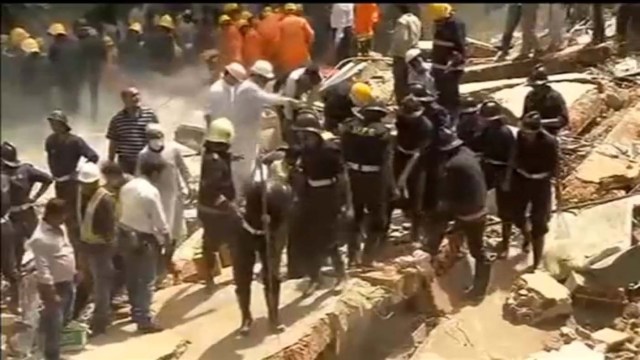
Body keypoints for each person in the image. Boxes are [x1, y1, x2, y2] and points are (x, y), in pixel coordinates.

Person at [425, 128, 490, 302]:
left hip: (469, 213)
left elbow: (446, 198)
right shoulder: (467, 153)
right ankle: (453, 254)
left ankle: (479, 291)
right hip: (479, 205)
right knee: (456, 233)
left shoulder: (453, 166)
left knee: (478, 251)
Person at [232, 163, 293, 336]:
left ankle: (274, 316)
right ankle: (246, 317)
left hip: (268, 237)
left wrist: (271, 225)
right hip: (244, 234)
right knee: (242, 278)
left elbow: (281, 222)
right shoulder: (251, 193)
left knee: (272, 277)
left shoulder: (284, 194)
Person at [290, 112, 346, 295]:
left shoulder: (330, 150)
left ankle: (341, 274)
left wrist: (345, 203)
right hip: (310, 195)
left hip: (328, 195)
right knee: (311, 239)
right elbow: (304, 174)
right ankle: (315, 277)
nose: (302, 138)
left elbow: (342, 177)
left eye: (305, 134)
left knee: (329, 238)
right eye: (300, 135)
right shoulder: (305, 150)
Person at [117, 156, 169, 333]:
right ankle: (144, 319)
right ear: (154, 173)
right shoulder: (150, 192)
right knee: (147, 279)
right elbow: (160, 223)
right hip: (144, 239)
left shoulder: (126, 186)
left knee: (132, 276)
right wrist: (167, 241)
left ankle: (135, 311)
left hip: (124, 234)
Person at [137, 124, 192, 287]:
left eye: (159, 136)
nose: (157, 140)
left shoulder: (173, 150)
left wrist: (190, 185)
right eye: (153, 137)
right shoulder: (143, 156)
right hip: (156, 199)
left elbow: (183, 169)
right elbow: (139, 177)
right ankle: (161, 270)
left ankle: (168, 264)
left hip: (174, 197)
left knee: (175, 233)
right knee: (160, 234)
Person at [339, 101, 393, 266]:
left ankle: (352, 257)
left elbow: (343, 147)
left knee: (355, 216)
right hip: (374, 178)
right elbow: (386, 161)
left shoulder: (349, 128)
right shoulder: (383, 133)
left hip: (353, 175)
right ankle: (367, 258)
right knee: (377, 218)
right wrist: (392, 186)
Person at [506, 111, 559, 271]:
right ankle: (526, 236)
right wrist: (510, 177)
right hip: (521, 180)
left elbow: (554, 167)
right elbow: (513, 157)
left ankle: (536, 262)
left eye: (528, 132)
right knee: (516, 214)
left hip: (540, 184)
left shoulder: (549, 142)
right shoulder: (520, 137)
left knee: (539, 222)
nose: (524, 134)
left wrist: (540, 177)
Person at [234, 60, 298, 185]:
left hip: (250, 130)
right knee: (244, 164)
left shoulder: (251, 88)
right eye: (264, 79)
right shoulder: (249, 88)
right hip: (243, 132)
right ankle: (242, 192)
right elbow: (266, 98)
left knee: (251, 160)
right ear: (256, 76)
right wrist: (287, 101)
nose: (266, 82)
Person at [26, 198, 76, 360]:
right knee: (53, 323)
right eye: (62, 216)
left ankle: (46, 350)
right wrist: (50, 292)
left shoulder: (60, 227)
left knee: (62, 319)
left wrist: (75, 270)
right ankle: (51, 355)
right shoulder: (39, 238)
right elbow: (43, 268)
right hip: (54, 286)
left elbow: (67, 248)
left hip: (67, 281)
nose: (64, 220)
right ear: (53, 215)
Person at [45, 110, 99, 250]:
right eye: (51, 123)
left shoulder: (75, 141)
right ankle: (72, 243)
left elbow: (93, 156)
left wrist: (80, 170)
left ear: (63, 124)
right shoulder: (50, 140)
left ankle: (81, 244)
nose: (53, 126)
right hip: (59, 183)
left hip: (72, 184)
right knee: (63, 213)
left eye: (55, 123)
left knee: (75, 214)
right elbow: (50, 159)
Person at [197, 117, 239, 292]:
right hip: (216, 210)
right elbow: (211, 187)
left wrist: (231, 158)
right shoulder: (214, 162)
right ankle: (230, 276)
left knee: (210, 242)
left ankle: (209, 279)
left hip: (208, 209)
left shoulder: (213, 156)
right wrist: (227, 205)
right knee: (232, 241)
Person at [75, 162, 116, 335]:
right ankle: (79, 312)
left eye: (88, 184)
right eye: (83, 184)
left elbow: (110, 228)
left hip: (100, 247)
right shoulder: (80, 194)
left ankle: (100, 322)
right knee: (87, 280)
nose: (84, 187)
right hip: (85, 245)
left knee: (101, 286)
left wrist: (104, 242)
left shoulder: (105, 199)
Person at [1, 142, 52, 269]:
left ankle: (20, 270)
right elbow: (48, 179)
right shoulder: (26, 169)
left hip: (14, 217)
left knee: (22, 245)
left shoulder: (8, 174)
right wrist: (35, 198)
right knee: (31, 243)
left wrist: (35, 198)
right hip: (24, 213)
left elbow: (48, 179)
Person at [475, 101, 516, 259]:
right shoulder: (487, 131)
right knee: (476, 201)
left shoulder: (505, 133)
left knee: (505, 210)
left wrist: (507, 178)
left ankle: (505, 243)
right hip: (487, 168)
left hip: (502, 171)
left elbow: (512, 158)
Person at [393, 95, 433, 243]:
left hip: (416, 160)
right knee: (395, 191)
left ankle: (415, 232)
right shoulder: (401, 117)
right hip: (400, 153)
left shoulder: (425, 126)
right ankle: (405, 211)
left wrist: (404, 176)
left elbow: (418, 154)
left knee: (417, 194)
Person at [107, 87, 159, 174]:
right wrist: (111, 162)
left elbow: (158, 136)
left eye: (138, 95)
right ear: (124, 99)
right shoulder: (117, 120)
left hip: (147, 161)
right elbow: (113, 142)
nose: (137, 98)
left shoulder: (149, 114)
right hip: (126, 162)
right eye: (133, 96)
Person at [428, 3, 466, 118]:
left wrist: (453, 62)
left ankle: (453, 118)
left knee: (450, 96)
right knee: (441, 94)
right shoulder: (443, 24)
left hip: (449, 68)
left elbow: (460, 47)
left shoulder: (454, 25)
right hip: (440, 65)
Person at [279, 64, 323, 143]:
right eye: (309, 81)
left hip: (300, 95)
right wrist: (289, 118)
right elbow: (288, 101)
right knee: (287, 117)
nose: (311, 83)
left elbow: (312, 98)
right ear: (305, 76)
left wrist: (307, 110)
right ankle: (287, 140)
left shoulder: (319, 80)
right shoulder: (293, 79)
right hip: (286, 93)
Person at [75, 19, 107, 122]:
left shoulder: (79, 42)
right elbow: (104, 57)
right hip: (96, 70)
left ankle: (80, 114)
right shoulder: (99, 41)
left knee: (80, 92)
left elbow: (77, 58)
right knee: (94, 94)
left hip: (82, 71)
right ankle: (94, 115)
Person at [47, 23, 82, 114]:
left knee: (65, 96)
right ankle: (76, 114)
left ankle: (68, 114)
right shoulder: (75, 43)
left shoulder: (54, 46)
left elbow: (51, 62)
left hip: (62, 76)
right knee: (74, 96)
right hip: (76, 75)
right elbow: (81, 59)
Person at [522, 66, 569, 136]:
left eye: (537, 86)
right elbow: (524, 116)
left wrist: (540, 123)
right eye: (532, 86)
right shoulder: (529, 97)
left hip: (552, 133)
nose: (535, 89)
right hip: (532, 134)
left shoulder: (555, 97)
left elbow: (562, 121)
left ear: (544, 84)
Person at [390, 5, 422, 103]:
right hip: (414, 53)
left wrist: (395, 52)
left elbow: (401, 39)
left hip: (402, 55)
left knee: (400, 82)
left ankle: (403, 105)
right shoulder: (415, 19)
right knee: (411, 80)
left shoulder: (402, 21)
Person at [205, 62, 246, 128]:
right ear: (229, 76)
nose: (236, 83)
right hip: (217, 127)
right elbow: (208, 113)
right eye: (235, 80)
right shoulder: (216, 90)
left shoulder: (230, 87)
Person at [276, 3, 315, 74]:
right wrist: (308, 45)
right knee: (306, 73)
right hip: (302, 53)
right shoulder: (301, 21)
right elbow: (311, 34)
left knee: (288, 74)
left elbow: (277, 40)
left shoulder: (280, 24)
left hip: (286, 56)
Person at [1, 172, 20, 313]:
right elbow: (20, 190)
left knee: (9, 267)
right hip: (5, 224)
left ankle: (13, 302)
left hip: (4, 225)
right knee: (10, 267)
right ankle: (14, 303)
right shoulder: (6, 177)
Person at [19, 38, 52, 113]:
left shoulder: (27, 62)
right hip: (45, 90)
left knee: (33, 111)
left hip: (32, 92)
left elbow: (24, 77)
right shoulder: (45, 59)